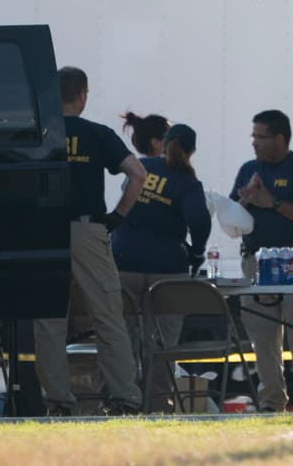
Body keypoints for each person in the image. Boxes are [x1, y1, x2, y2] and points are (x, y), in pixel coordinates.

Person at [33, 66, 147, 416]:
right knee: (107, 316)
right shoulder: (98, 134)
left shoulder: (38, 133)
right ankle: (124, 398)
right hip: (88, 230)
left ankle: (58, 402)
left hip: (44, 234)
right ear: (82, 94)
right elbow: (138, 174)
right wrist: (117, 216)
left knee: (49, 320)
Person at [230, 109, 293, 413]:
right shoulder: (249, 168)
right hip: (257, 263)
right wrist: (244, 202)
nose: (254, 143)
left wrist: (271, 202)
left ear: (280, 138)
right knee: (263, 339)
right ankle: (271, 405)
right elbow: (232, 221)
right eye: (253, 136)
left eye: (260, 136)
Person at [112, 123, 212, 411]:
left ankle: (123, 401)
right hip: (168, 270)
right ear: (191, 151)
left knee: (122, 338)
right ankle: (157, 404)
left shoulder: (141, 168)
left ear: (165, 142)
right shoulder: (187, 181)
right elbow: (200, 221)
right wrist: (197, 252)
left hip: (124, 263)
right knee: (162, 344)